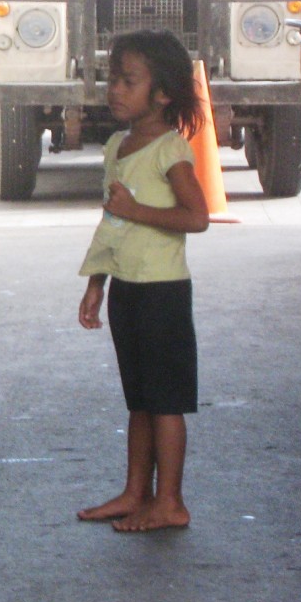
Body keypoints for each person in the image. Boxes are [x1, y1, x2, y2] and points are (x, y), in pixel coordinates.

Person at [77, 29, 209, 532]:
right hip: (127, 288)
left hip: (162, 292)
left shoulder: (170, 151)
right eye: (113, 78)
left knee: (166, 402)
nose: (114, 89)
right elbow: (112, 220)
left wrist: (138, 210)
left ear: (163, 94)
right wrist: (97, 281)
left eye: (128, 81)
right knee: (140, 399)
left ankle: (170, 501)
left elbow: (197, 217)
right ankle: (137, 492)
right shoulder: (118, 145)